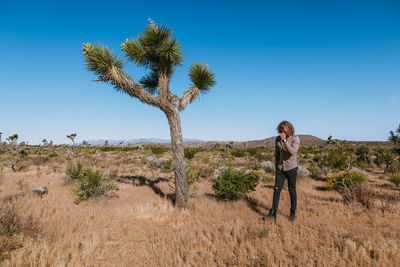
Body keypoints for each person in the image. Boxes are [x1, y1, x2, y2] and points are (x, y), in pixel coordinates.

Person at [264, 121, 300, 221]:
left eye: (283, 130)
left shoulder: (295, 138)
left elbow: (293, 151)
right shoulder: (277, 139)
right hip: (280, 168)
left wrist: (284, 141)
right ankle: (273, 213)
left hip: (291, 168)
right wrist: (276, 166)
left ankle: (292, 214)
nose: (281, 132)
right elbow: (277, 153)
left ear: (289, 129)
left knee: (291, 190)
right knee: (276, 190)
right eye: (280, 130)